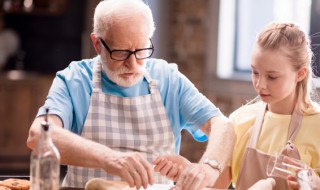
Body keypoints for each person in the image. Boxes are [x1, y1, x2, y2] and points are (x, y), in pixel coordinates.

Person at [26, 0, 236, 189]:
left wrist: (208, 168)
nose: (133, 64)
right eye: (121, 52)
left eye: (141, 50)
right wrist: (110, 158)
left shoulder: (168, 79)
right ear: (97, 44)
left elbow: (222, 126)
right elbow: (38, 136)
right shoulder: (75, 79)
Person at [154, 22, 320, 190]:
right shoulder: (240, 120)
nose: (260, 84)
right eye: (255, 72)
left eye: (272, 77)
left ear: (300, 73)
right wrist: (188, 172)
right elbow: (216, 188)